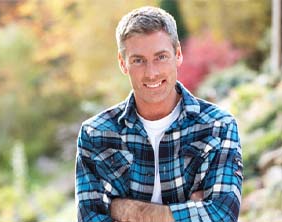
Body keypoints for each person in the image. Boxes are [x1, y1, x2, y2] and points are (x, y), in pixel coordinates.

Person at [75, 6, 243, 222]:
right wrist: (190, 212)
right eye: (138, 60)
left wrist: (125, 210)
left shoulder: (218, 126)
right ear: (122, 63)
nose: (151, 72)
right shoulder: (95, 134)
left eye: (161, 57)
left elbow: (222, 215)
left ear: (178, 54)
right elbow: (89, 218)